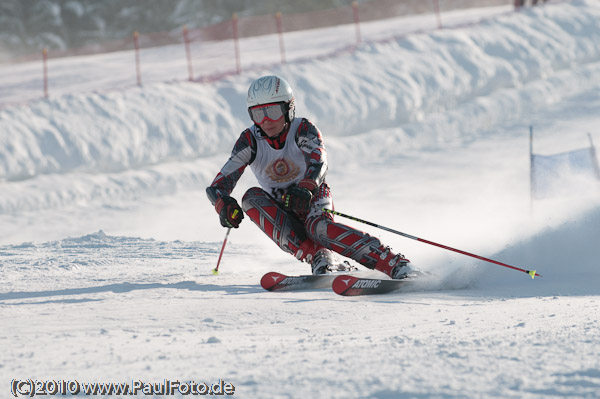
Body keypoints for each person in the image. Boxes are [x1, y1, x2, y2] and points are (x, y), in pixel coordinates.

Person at [206, 75, 411, 278]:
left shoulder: (303, 129)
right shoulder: (250, 140)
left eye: (273, 111)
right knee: (250, 199)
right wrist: (223, 205)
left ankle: (391, 261)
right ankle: (320, 257)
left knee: (317, 227)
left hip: (312, 195)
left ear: (289, 108)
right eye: (258, 114)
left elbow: (318, 161)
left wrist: (306, 187)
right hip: (280, 206)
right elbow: (217, 186)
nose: (266, 121)